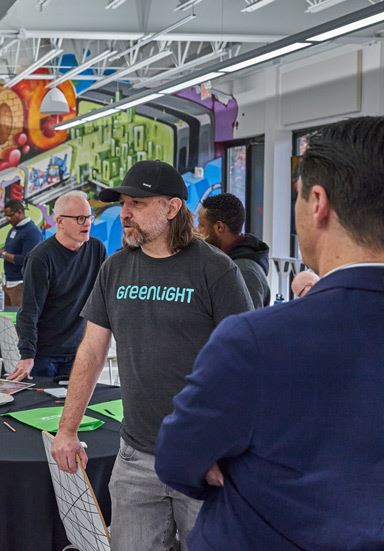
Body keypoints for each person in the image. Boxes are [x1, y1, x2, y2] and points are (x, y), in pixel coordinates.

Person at [155, 117, 384, 550]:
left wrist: (223, 460)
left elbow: (177, 458)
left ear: (318, 202)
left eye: (296, 195)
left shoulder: (256, 341)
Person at [50, 160, 253, 550]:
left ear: (172, 208)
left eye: (138, 204)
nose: (124, 213)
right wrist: (67, 429)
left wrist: (225, 447)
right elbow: (92, 351)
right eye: (124, 202)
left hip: (204, 459)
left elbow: (248, 366)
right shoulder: (116, 269)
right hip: (136, 458)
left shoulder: (215, 270)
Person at [9, 190, 106, 381]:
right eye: (79, 218)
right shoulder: (40, 258)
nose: (87, 223)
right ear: (60, 222)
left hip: (79, 349)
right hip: (45, 354)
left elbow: (103, 297)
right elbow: (29, 310)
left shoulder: (96, 249)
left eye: (89, 217)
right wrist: (27, 355)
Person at [197, 193, 271, 308]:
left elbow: (245, 322)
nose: (196, 230)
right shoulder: (227, 262)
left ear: (219, 227)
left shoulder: (244, 272)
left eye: (201, 225)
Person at [0, 199, 43, 306]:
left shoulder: (32, 232)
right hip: (9, 282)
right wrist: (1, 252)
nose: (8, 219)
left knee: (18, 319)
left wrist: (2, 254)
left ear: (20, 212)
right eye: (6, 216)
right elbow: (12, 250)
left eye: (10, 215)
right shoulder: (14, 229)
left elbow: (26, 260)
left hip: (21, 283)